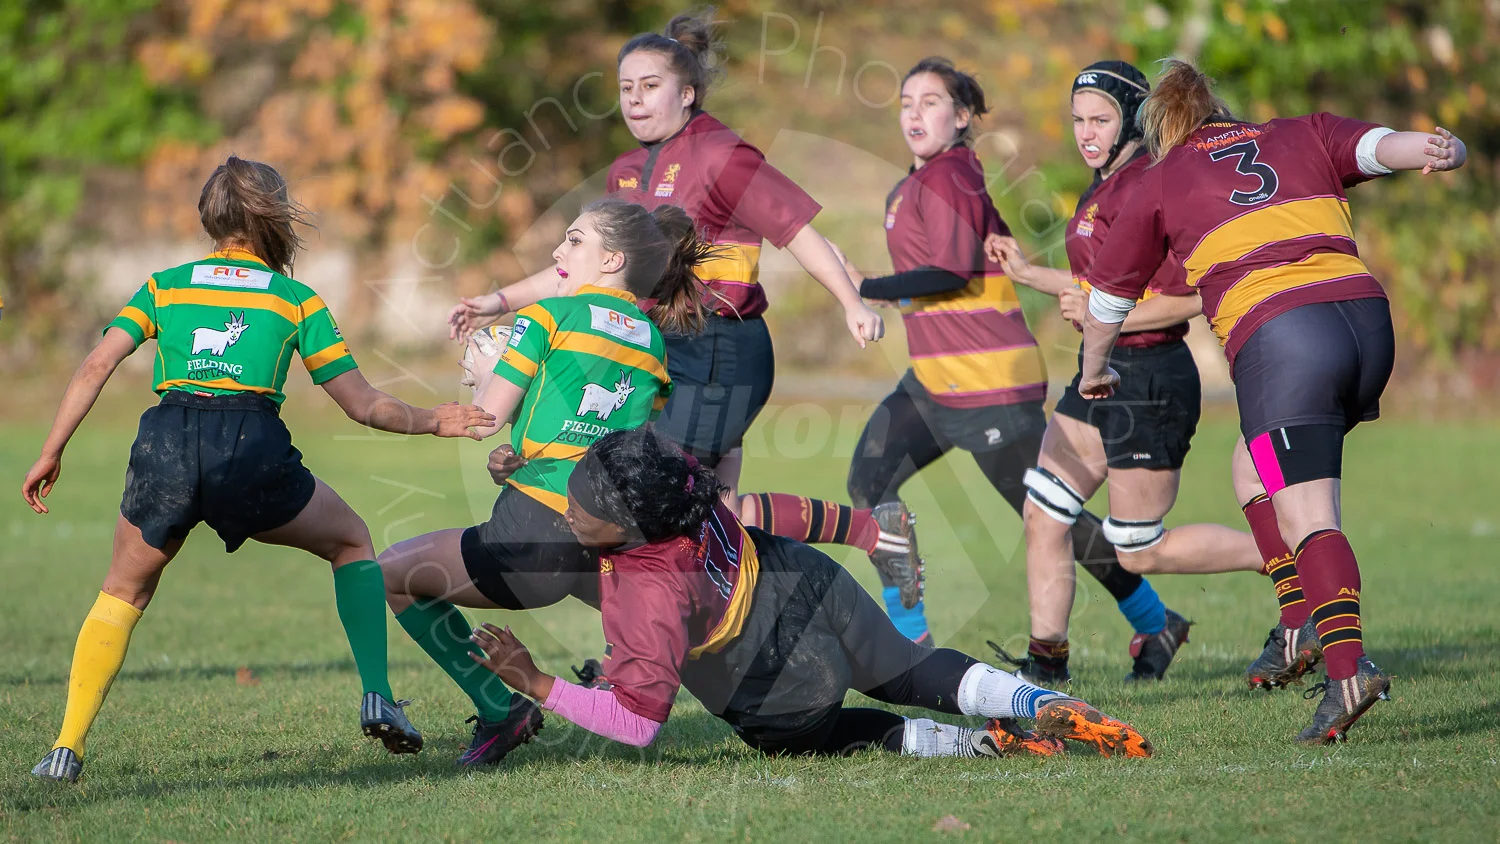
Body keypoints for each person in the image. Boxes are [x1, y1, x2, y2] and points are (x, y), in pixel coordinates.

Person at [22, 157, 493, 783]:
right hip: (249, 442)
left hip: (166, 438)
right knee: (352, 541)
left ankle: (65, 748)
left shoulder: (165, 284)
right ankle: (377, 694)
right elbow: (360, 403)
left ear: (209, 218)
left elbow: (95, 364)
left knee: (122, 589)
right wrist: (433, 419)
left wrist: (52, 448)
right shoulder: (294, 298)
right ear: (275, 217)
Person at [444, 10, 919, 590]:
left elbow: (797, 231)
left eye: (650, 86)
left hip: (723, 349)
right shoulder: (624, 171)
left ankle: (862, 538)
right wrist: (498, 300)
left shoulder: (721, 153)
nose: (635, 100)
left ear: (687, 92)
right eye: (625, 88)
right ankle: (855, 544)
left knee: (651, 496)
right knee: (704, 509)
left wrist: (852, 302)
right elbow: (583, 266)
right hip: (662, 353)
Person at [1079, 60, 1466, 742]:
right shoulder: (1297, 131)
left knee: (1309, 511)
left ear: (1162, 126)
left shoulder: (1160, 176)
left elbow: (1107, 300)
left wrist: (1093, 369)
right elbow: (1384, 146)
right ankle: (1296, 624)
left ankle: (1346, 669)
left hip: (1285, 336)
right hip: (1367, 323)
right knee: (1252, 468)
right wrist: (1439, 147)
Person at [465, 427, 1153, 761]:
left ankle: (978, 748)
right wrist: (858, 531)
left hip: (767, 678)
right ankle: (1034, 701)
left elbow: (641, 724)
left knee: (804, 739)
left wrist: (537, 681)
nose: (567, 512)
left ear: (628, 524)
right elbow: (760, 508)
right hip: (806, 581)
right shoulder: (674, 485)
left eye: (581, 506)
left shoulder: (645, 588)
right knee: (910, 670)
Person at [824, 57, 1186, 680]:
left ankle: (1158, 622)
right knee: (870, 481)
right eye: (907, 102)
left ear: (962, 117)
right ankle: (914, 644)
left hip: (991, 386)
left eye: (931, 102)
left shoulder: (955, 173)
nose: (914, 113)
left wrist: (867, 285)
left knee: (1051, 518)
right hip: (938, 380)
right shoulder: (921, 179)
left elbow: (955, 267)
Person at [378, 198, 707, 767]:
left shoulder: (545, 318)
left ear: (612, 259)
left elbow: (485, 418)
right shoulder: (652, 343)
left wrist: (486, 369)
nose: (559, 251)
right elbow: (608, 437)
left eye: (575, 240)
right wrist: (516, 454)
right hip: (604, 538)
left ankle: (499, 706)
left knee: (389, 576)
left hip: (532, 535)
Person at [983, 62, 1264, 678]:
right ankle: (1045, 667)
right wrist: (1031, 275)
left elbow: (1190, 293)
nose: (1086, 132)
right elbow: (1103, 285)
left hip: (1150, 379)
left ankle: (1286, 557)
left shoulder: (1147, 184)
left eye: (1101, 119)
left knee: (1138, 549)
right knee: (1044, 510)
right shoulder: (1104, 181)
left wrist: (1100, 316)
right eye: (1079, 119)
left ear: (1131, 120)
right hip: (1101, 371)